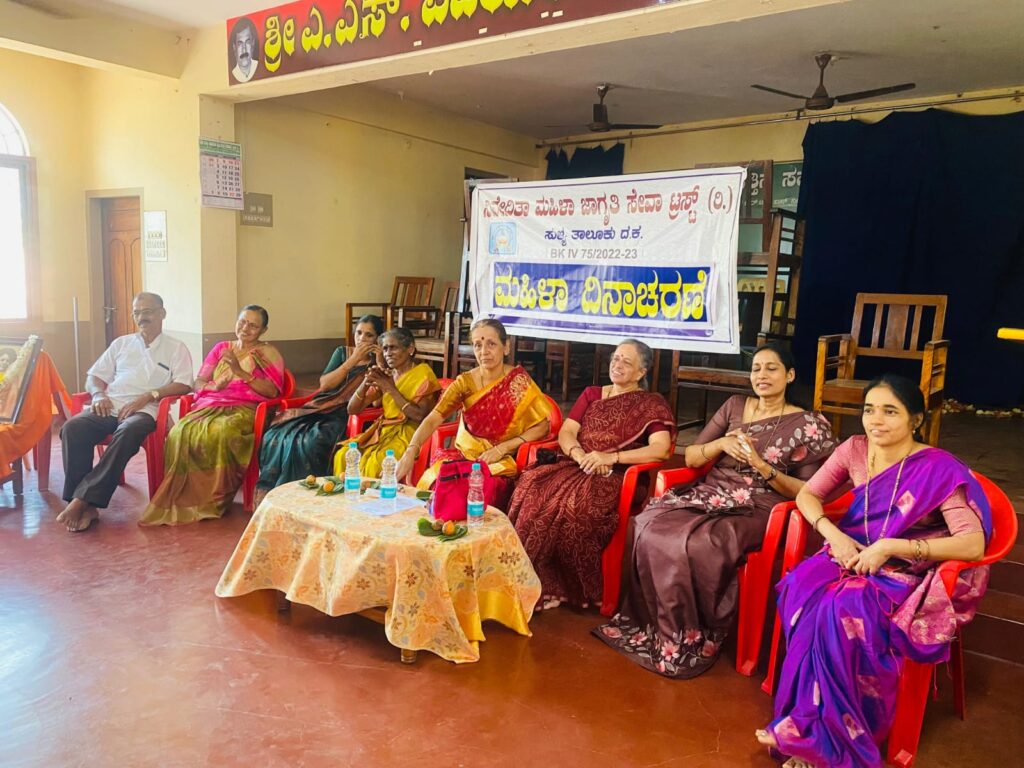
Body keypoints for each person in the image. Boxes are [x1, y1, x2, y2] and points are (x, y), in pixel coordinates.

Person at [755, 374, 990, 768]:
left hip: (904, 570)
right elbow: (809, 494)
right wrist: (833, 535)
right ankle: (805, 723)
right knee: (799, 590)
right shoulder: (854, 449)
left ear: (916, 419)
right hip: (849, 554)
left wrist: (892, 547)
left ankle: (831, 740)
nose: (875, 420)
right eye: (869, 410)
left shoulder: (937, 467)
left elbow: (972, 543)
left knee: (841, 609)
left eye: (890, 411)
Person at [594, 342, 836, 678]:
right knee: (647, 521)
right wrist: (721, 443)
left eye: (772, 368)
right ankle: (656, 627)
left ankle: (694, 634)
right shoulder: (735, 405)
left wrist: (761, 466)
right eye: (756, 369)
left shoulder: (807, 425)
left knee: (699, 542)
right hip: (712, 492)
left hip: (759, 506)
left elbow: (807, 491)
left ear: (790, 375)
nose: (762, 375)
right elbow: (693, 457)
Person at [507, 339, 676, 610]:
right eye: (615, 358)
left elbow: (661, 449)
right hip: (577, 463)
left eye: (626, 362)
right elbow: (567, 431)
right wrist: (578, 454)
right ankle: (531, 580)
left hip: (617, 474)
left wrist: (611, 457)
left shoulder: (650, 404)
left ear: (641, 372)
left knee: (578, 507)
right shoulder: (592, 394)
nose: (617, 365)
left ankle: (567, 589)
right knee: (531, 486)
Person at [57, 293, 193, 532]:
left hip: (145, 410)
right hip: (110, 405)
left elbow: (184, 384)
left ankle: (80, 501)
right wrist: (98, 395)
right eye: (137, 312)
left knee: (128, 431)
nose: (142, 317)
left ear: (162, 314)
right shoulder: (122, 343)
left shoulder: (175, 347)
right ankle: (84, 505)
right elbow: (94, 377)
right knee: (73, 428)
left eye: (147, 311)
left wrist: (148, 396)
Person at [140, 305, 284, 526]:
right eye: (242, 322)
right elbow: (199, 382)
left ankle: (212, 500)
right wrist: (214, 386)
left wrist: (240, 372)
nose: (245, 329)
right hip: (210, 405)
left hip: (246, 409)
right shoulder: (221, 348)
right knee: (179, 431)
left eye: (253, 326)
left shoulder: (268, 353)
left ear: (263, 330)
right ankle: (183, 498)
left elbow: (273, 391)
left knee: (222, 431)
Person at [394, 318, 551, 511]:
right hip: (464, 456)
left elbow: (542, 426)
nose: (484, 351)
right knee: (439, 486)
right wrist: (410, 451)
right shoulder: (465, 383)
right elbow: (434, 418)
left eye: (491, 344)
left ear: (506, 347)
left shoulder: (519, 382)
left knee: (478, 491)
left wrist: (502, 449)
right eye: (477, 345)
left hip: (498, 464)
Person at [256, 315, 384, 493]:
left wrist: (380, 363)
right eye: (359, 333)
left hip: (345, 414)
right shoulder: (342, 353)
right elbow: (325, 384)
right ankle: (279, 490)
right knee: (276, 433)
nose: (361, 338)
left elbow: (377, 401)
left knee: (312, 441)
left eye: (368, 335)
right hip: (322, 406)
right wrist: (352, 361)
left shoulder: (379, 362)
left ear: (377, 339)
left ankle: (309, 491)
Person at [334, 326, 441, 478]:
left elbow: (420, 416)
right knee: (344, 454)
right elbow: (352, 409)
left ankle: (371, 494)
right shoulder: (387, 375)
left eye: (393, 348)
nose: (388, 353)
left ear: (410, 349)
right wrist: (366, 382)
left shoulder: (423, 374)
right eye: (385, 349)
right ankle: (347, 493)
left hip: (410, 433)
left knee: (375, 463)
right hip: (384, 431)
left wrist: (390, 388)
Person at [229, 18, 259, 83]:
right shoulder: (234, 73)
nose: (244, 49)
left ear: (253, 43)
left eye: (247, 42)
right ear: (234, 47)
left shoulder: (258, 66)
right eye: (240, 43)